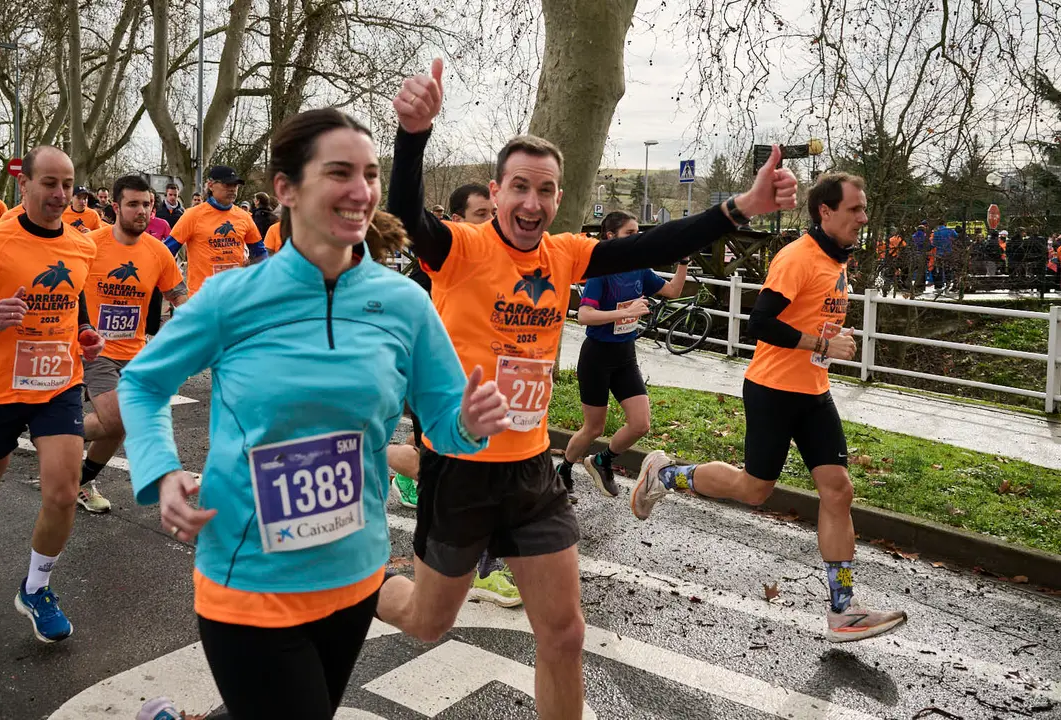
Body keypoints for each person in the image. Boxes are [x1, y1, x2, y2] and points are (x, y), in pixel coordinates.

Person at [375, 59, 796, 720]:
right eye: (519, 187)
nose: (532, 203)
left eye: (545, 190)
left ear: (559, 197)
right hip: (458, 472)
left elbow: (653, 244)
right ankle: (358, 585)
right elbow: (403, 214)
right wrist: (412, 136)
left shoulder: (565, 254)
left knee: (564, 635)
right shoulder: (459, 249)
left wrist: (740, 206)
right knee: (427, 622)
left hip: (530, 473)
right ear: (497, 190)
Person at [118, 106, 510, 720]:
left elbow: (444, 427)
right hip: (249, 574)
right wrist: (162, 471)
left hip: (353, 573)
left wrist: (471, 424)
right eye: (339, 173)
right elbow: (143, 383)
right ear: (286, 188)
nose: (361, 190)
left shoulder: (404, 304)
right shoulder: (232, 298)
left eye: (370, 174)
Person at [634, 172, 908, 644]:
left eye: (864, 209)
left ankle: (843, 611)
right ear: (826, 211)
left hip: (814, 392)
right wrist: (820, 342)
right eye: (855, 209)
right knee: (755, 489)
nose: (864, 218)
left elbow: (811, 321)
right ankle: (665, 475)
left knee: (838, 490)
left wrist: (828, 340)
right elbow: (759, 322)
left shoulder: (836, 260)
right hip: (773, 390)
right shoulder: (797, 258)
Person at [0, 145, 104, 643]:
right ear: (24, 184)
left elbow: (73, 298)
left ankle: (36, 588)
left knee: (63, 491)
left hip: (59, 383)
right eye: (49, 183)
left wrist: (85, 331)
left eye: (67, 184)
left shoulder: (81, 245)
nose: (60, 194)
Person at [386, 180, 522, 609]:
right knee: (463, 479)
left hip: (483, 392)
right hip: (438, 392)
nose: (493, 223)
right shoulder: (433, 271)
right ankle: (484, 568)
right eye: (482, 215)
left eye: (494, 214)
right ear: (456, 221)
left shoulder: (494, 262)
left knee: (461, 476)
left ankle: (377, 455)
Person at [557, 210, 688, 501]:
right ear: (611, 236)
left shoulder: (639, 268)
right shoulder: (602, 271)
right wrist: (626, 311)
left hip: (625, 356)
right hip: (597, 356)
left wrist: (684, 261)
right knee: (594, 427)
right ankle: (563, 470)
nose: (637, 237)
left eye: (638, 232)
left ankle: (602, 461)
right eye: (630, 233)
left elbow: (673, 290)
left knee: (641, 424)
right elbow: (584, 315)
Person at [76, 175, 187, 513]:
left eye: (147, 204)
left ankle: (80, 480)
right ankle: (51, 430)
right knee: (118, 418)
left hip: (135, 353)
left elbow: (179, 296)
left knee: (118, 426)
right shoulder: (89, 245)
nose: (142, 211)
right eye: (133, 204)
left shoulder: (158, 251)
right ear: (115, 206)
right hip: (94, 350)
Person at [164, 165, 267, 295]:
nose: (232, 189)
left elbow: (260, 253)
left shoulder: (244, 216)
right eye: (227, 184)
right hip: (202, 297)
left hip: (235, 295)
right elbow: (166, 252)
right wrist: (176, 290)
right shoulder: (192, 215)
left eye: (235, 185)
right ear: (211, 185)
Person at [931, 221, 956, 293]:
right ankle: (948, 284)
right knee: (948, 269)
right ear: (945, 224)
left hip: (939, 253)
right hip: (948, 253)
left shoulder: (936, 232)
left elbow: (934, 243)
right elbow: (956, 236)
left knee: (939, 269)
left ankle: (939, 286)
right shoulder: (950, 230)